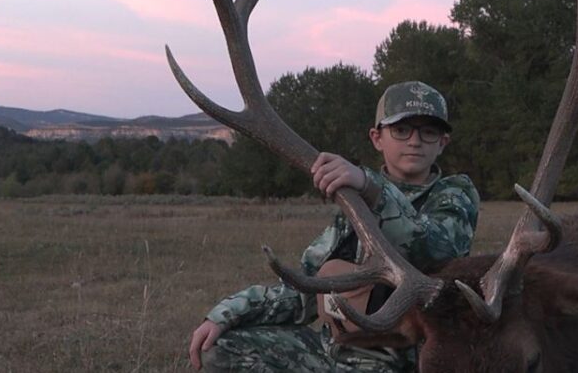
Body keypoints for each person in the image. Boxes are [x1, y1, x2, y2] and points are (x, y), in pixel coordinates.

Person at [189, 81, 480, 372]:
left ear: (443, 142)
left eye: (428, 132)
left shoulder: (454, 194)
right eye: (401, 130)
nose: (414, 141)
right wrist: (228, 313)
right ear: (377, 138)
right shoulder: (353, 201)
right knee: (220, 349)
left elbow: (435, 249)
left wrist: (370, 187)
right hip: (335, 351)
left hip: (406, 359)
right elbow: (308, 287)